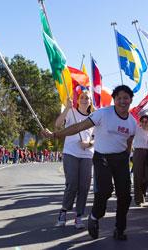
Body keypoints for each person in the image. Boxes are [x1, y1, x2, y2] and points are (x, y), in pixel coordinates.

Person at [42, 85, 136, 241]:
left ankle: (120, 229)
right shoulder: (103, 114)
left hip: (121, 160)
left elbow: (129, 143)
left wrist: (127, 160)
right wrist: (56, 135)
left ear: (131, 100)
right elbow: (79, 126)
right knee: (105, 190)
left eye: (126, 98)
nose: (122, 101)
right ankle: (94, 217)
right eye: (119, 98)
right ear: (114, 100)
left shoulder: (132, 123)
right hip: (102, 157)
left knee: (125, 196)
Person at [54, 91, 94, 229]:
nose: (84, 99)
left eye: (87, 98)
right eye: (81, 97)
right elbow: (58, 125)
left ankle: (79, 216)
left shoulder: (93, 117)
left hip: (87, 155)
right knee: (72, 184)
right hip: (70, 153)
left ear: (90, 101)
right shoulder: (71, 112)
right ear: (78, 100)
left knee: (84, 186)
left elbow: (97, 138)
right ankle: (63, 212)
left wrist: (89, 144)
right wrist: (66, 108)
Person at [132, 114, 148, 206]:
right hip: (138, 153)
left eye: (146, 122)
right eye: (143, 121)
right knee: (138, 176)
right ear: (140, 122)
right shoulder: (137, 129)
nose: (144, 123)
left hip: (147, 154)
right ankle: (138, 199)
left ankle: (143, 192)